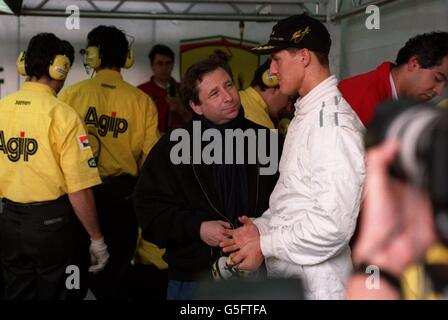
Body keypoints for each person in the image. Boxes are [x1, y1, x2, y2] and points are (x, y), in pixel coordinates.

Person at [221, 14, 366, 300]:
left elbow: (332, 226)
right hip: (294, 280)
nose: (271, 72)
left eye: (277, 59)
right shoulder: (307, 114)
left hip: (320, 287)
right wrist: (260, 229)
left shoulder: (333, 127)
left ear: (303, 57)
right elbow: (295, 199)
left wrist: (266, 245)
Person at [133, 58, 281, 300]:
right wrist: (197, 228)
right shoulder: (172, 147)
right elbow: (147, 210)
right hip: (193, 280)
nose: (228, 97)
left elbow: (287, 204)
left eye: (229, 86)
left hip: (256, 274)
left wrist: (261, 229)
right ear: (196, 106)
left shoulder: (269, 141)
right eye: (214, 93)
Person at [0, 33, 108, 300]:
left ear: (24, 64)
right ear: (59, 68)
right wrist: (97, 239)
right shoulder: (64, 115)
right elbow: (79, 189)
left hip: (9, 223)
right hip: (52, 226)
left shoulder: (2, 108)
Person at [59, 25, 159, 300]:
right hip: (122, 200)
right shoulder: (142, 101)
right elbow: (150, 160)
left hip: (77, 197)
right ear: (126, 58)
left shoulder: (70, 96)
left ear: (92, 55)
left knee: (73, 280)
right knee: (114, 282)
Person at [339, 32, 448, 126]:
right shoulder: (361, 97)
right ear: (414, 63)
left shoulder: (410, 106)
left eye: (446, 85)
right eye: (437, 78)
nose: (439, 91)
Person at [138, 44, 191, 134]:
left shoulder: (185, 90)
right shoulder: (141, 92)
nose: (164, 68)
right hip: (151, 145)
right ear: (152, 66)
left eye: (168, 63)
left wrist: (181, 110)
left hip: (180, 143)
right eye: (160, 63)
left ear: (173, 65)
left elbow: (197, 123)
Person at [240, 59, 290, 129]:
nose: (287, 107)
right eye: (290, 97)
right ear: (274, 87)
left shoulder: (238, 97)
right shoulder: (264, 125)